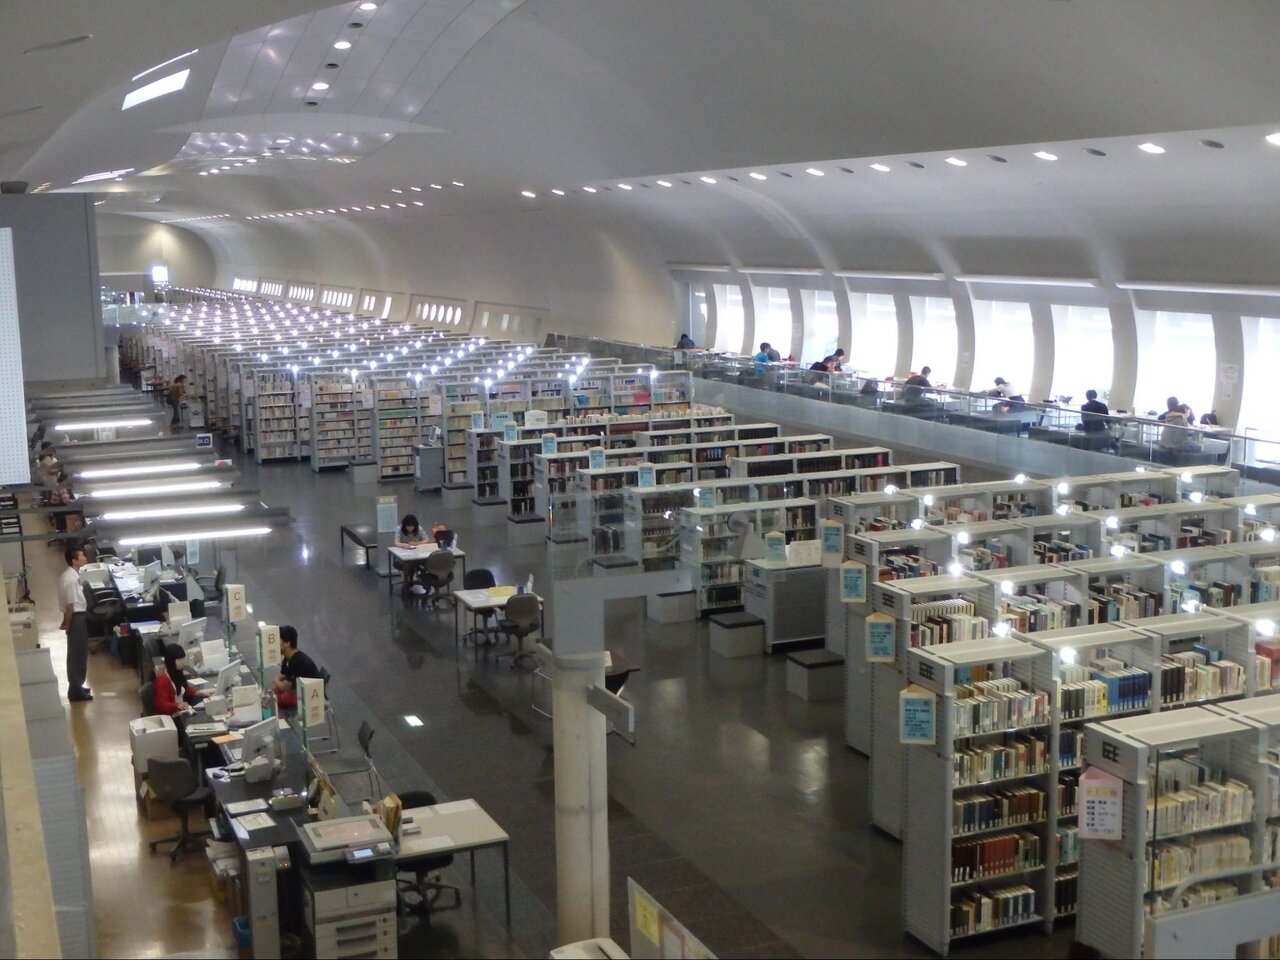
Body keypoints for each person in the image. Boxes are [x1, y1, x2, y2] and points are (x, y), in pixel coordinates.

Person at [59, 546, 92, 702]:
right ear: (74, 561)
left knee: (79, 653)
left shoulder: (72, 575)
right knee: (77, 655)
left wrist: (65, 621)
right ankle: (75, 691)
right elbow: (70, 606)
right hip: (76, 618)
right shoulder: (71, 579)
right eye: (81, 556)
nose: (85, 557)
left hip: (77, 617)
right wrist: (67, 624)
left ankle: (78, 686)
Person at [153, 643, 212, 716]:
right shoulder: (163, 680)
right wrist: (177, 705)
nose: (183, 662)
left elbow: (184, 689)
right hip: (172, 715)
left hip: (180, 711)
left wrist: (197, 692)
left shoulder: (177, 673)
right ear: (171, 661)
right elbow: (161, 704)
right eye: (179, 660)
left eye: (183, 659)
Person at [273, 626, 321, 712]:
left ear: (287, 643)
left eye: (278, 641)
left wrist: (276, 680)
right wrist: (278, 681)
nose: (275, 645)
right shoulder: (288, 656)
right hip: (298, 689)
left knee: (277, 699)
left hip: (309, 696)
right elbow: (283, 674)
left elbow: (284, 687)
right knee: (273, 693)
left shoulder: (297, 661)